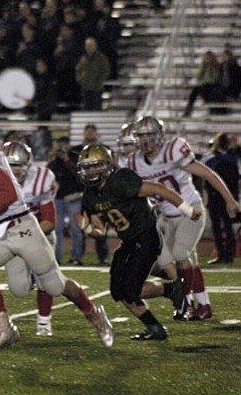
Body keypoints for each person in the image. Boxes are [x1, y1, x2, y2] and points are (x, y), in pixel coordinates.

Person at [0, 110, 114, 352]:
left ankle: (94, 313)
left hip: (20, 226)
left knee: (55, 285)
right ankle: (5, 329)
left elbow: (8, 194)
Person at [77, 144, 196, 340]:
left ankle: (171, 289)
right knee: (118, 292)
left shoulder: (121, 180)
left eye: (95, 166)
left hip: (146, 237)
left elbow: (158, 189)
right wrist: (89, 229)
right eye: (87, 167)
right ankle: (155, 328)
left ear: (106, 165)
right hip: (128, 242)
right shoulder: (90, 195)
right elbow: (100, 231)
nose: (90, 172)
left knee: (132, 290)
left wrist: (187, 210)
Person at [128, 115, 240, 320]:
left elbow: (207, 173)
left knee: (180, 254)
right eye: (141, 136)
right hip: (166, 217)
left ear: (160, 136)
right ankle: (203, 305)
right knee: (168, 262)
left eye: (150, 135)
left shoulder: (173, 151)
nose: (145, 140)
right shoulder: (134, 162)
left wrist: (229, 200)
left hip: (191, 211)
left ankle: (185, 303)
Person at [3, 141, 58, 336]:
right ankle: (31, 277)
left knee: (47, 280)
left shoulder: (41, 178)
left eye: (17, 165)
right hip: (15, 236)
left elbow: (50, 221)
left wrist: (28, 235)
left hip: (41, 233)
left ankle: (44, 321)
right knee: (18, 289)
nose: (13, 170)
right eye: (9, 165)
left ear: (28, 164)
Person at [71, 123, 109, 265]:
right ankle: (77, 257)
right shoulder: (75, 151)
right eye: (88, 130)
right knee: (79, 226)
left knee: (100, 224)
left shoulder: (104, 150)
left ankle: (103, 257)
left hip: (98, 193)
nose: (90, 133)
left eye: (93, 130)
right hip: (82, 193)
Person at [47, 136, 85, 265]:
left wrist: (67, 160)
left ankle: (76, 257)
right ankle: (56, 258)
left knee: (76, 229)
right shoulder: (54, 161)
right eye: (59, 145)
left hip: (73, 198)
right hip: (58, 199)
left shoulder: (75, 157)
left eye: (64, 144)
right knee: (57, 229)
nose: (62, 148)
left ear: (69, 145)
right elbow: (47, 175)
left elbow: (79, 175)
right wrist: (53, 158)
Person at [202, 133, 239, 264]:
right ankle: (226, 254)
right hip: (222, 196)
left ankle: (226, 254)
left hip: (221, 197)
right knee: (223, 226)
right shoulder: (225, 158)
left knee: (223, 226)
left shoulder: (221, 157)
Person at [75, 37, 110, 111]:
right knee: (86, 107)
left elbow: (105, 70)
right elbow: (78, 69)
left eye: (91, 46)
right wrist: (80, 79)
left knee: (96, 107)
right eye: (87, 46)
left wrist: (99, 80)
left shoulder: (100, 58)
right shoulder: (83, 58)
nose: (89, 48)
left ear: (95, 46)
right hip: (85, 87)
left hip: (96, 87)